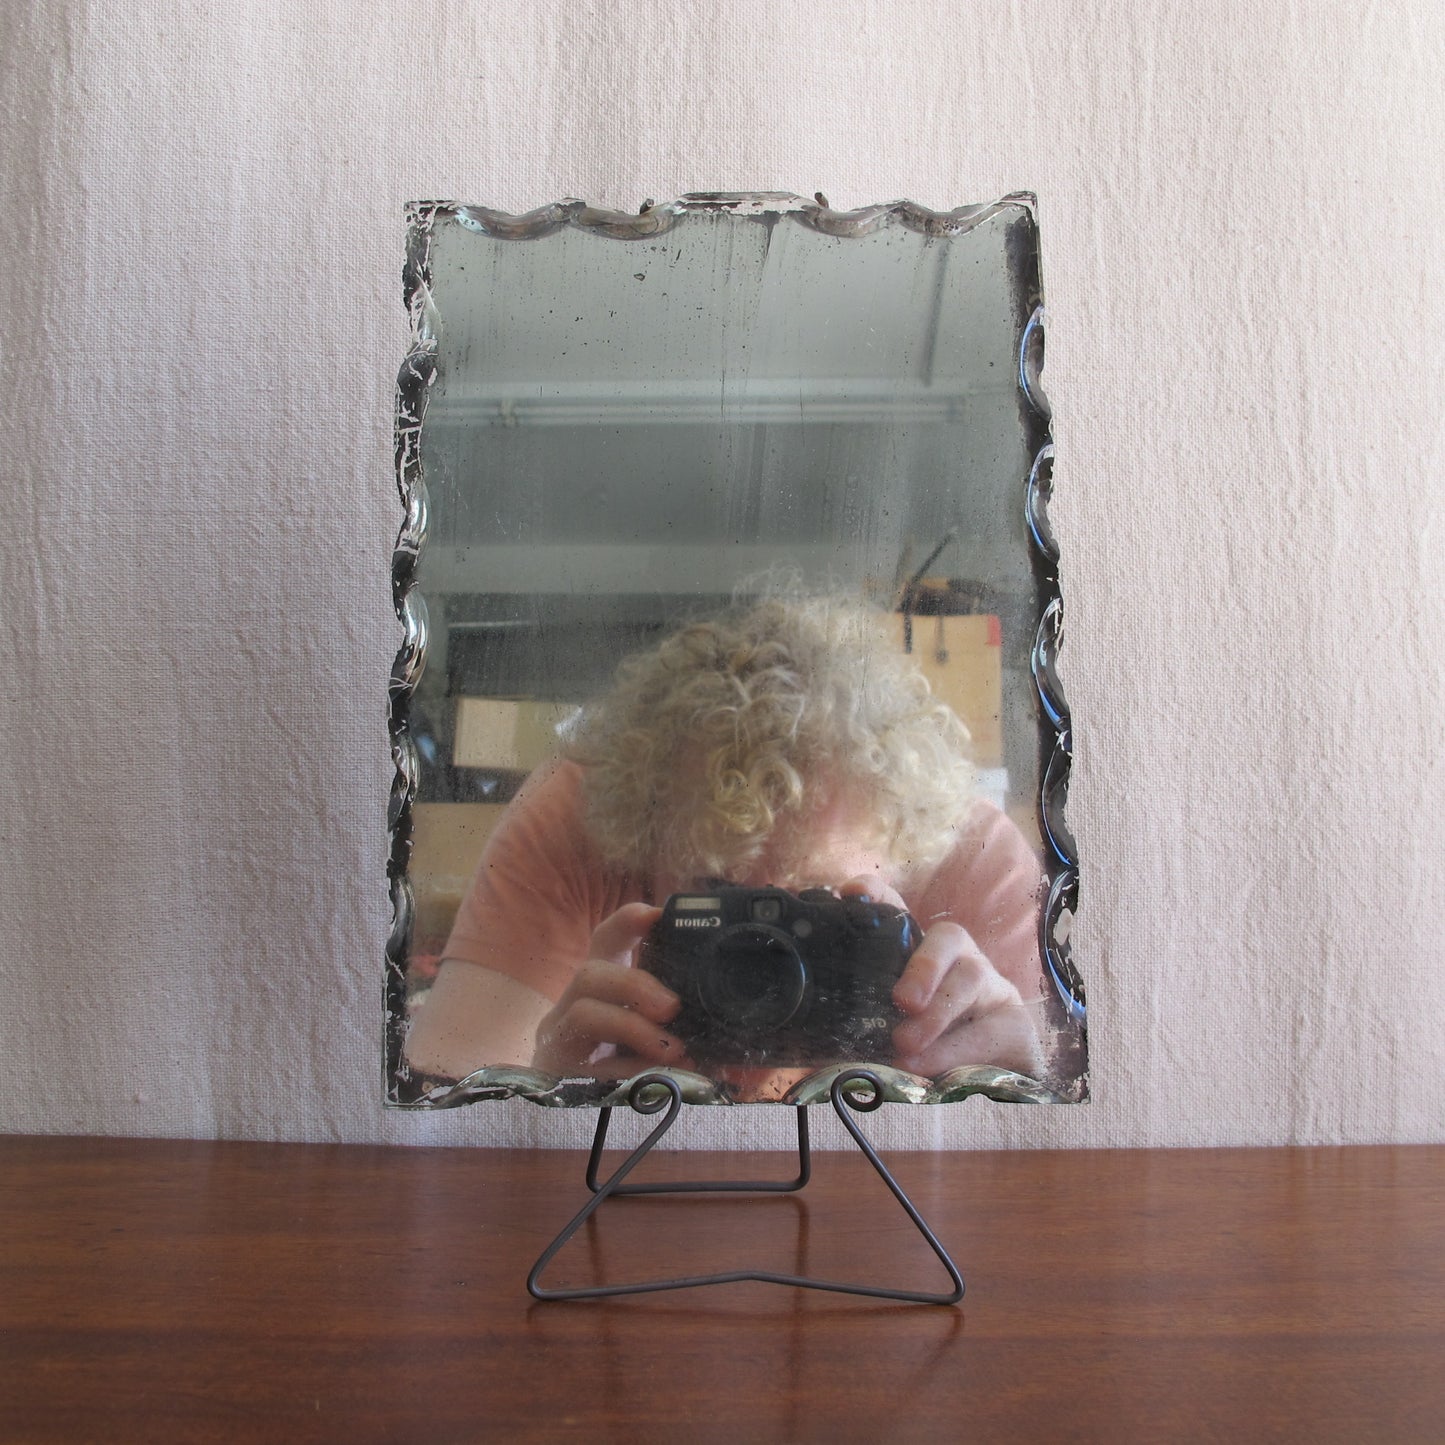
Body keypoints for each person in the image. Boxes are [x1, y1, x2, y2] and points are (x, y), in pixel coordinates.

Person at [404, 594, 1057, 1097]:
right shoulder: (579, 812)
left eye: (817, 902)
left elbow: (1039, 1167)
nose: (761, 958)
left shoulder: (970, 855)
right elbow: (443, 1100)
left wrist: (1013, 1087)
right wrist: (546, 1095)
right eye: (719, 897)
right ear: (641, 834)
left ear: (907, 856)